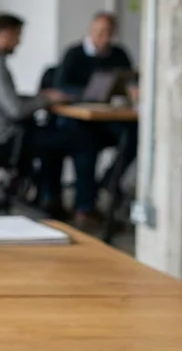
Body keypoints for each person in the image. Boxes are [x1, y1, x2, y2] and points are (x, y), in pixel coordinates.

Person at [0, 14, 100, 224]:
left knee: (56, 137)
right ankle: (83, 208)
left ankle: (50, 199)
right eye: (17, 36)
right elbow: (15, 110)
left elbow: (4, 100)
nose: (19, 43)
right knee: (80, 140)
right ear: (6, 34)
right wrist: (46, 99)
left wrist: (39, 97)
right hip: (7, 138)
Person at [54, 12, 138, 209]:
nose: (103, 37)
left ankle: (110, 180)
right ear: (91, 30)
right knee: (85, 145)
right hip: (79, 119)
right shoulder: (74, 53)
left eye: (108, 32)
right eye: (99, 32)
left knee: (133, 135)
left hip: (107, 117)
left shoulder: (119, 54)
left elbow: (129, 81)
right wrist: (90, 93)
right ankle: (85, 206)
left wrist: (132, 90)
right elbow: (61, 86)